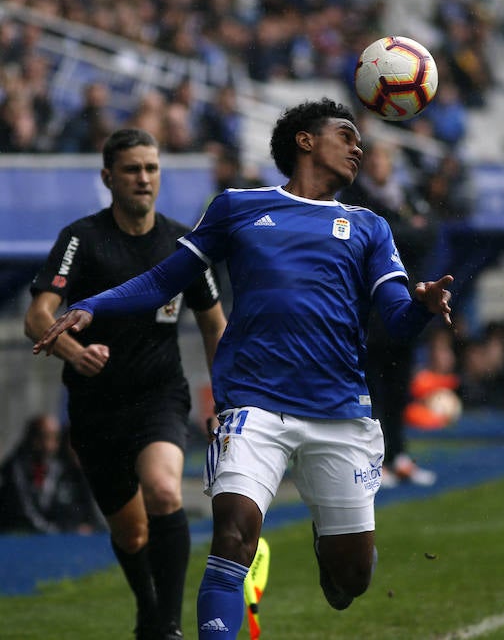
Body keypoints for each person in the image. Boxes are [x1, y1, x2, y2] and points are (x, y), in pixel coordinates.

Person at [32, 98, 454, 640]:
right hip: (253, 405)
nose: (359, 147)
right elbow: (164, 279)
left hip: (338, 413)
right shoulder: (237, 207)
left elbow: (395, 321)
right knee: (231, 537)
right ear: (305, 140)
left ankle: (335, 554)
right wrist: (94, 305)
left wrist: (420, 306)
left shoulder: (369, 226)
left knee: (352, 579)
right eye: (346, 135)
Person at [24, 128, 227, 640]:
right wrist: (72, 349)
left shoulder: (184, 246)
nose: (143, 178)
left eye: (152, 168)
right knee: (131, 531)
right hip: (94, 408)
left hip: (160, 395)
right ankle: (148, 614)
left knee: (163, 490)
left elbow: (214, 324)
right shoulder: (81, 239)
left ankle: (170, 626)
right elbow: (38, 314)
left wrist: (227, 399)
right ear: (107, 177)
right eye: (133, 169)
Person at [339, 139, 439, 487]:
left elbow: (430, 236)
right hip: (369, 313)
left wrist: (395, 232)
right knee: (372, 392)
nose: (379, 165)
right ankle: (374, 461)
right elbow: (368, 240)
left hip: (406, 308)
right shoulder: (353, 201)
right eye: (375, 159)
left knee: (399, 390)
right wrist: (403, 232)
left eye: (384, 159)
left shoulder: (405, 198)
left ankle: (400, 455)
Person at [0, 412, 104, 535]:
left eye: (55, 437)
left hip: (52, 539)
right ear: (32, 438)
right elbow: (25, 511)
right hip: (18, 537)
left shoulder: (61, 468)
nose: (50, 444)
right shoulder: (15, 467)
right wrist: (58, 532)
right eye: (45, 436)